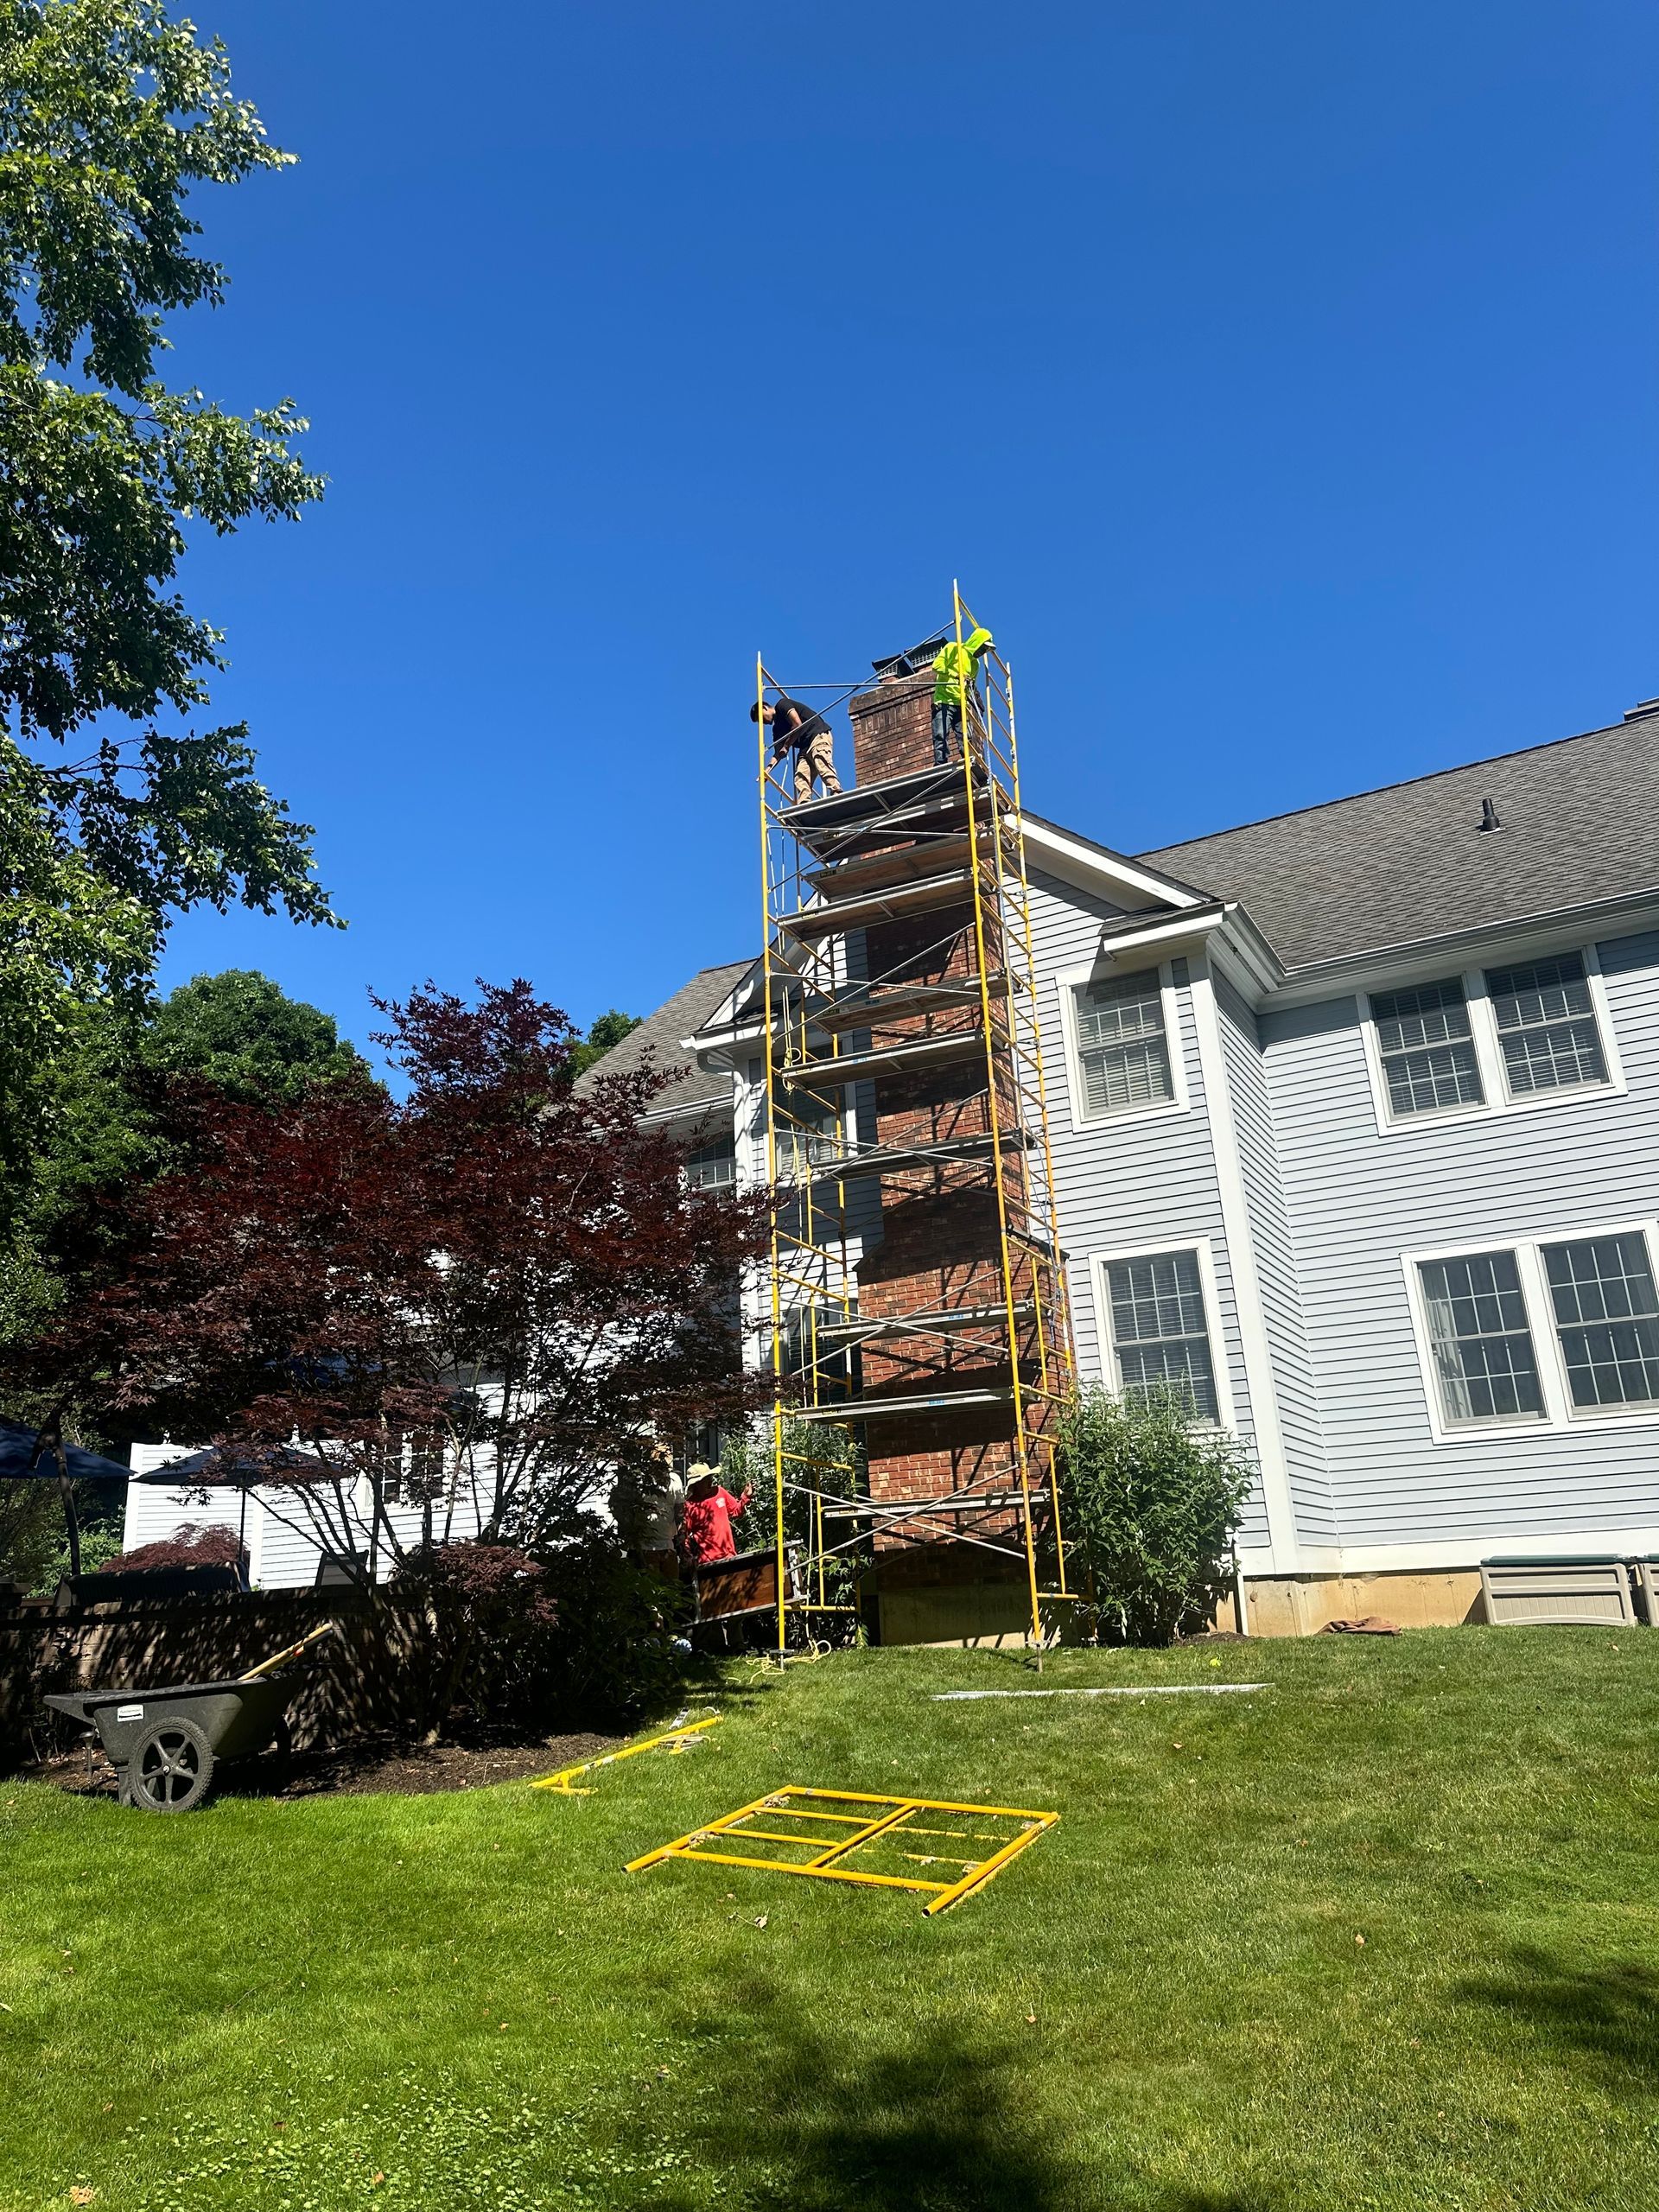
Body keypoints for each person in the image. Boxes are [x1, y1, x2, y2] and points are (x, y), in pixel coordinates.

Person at [752, 694, 841, 803]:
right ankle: (804, 804)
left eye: (760, 718)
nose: (763, 723)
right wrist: (766, 772)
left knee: (821, 763)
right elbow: (778, 754)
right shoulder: (777, 730)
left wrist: (786, 746)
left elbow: (797, 724)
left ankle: (836, 792)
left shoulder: (782, 705)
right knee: (800, 776)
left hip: (817, 734)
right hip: (805, 747)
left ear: (764, 708)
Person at [931, 626, 995, 765]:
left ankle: (968, 762)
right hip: (944, 700)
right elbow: (937, 666)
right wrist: (956, 675)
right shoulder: (954, 648)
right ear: (976, 642)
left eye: (985, 650)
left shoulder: (975, 664)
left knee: (966, 736)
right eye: (982, 647)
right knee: (941, 733)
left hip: (960, 703)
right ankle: (940, 763)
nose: (983, 652)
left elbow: (970, 685)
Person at [677, 1461, 751, 1568]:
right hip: (707, 1563)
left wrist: (745, 1497)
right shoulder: (690, 1506)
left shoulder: (719, 1492)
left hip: (729, 1556)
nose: (710, 1481)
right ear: (697, 1484)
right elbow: (684, 1535)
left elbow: (736, 1510)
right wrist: (688, 1557)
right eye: (706, 1479)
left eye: (710, 1477)